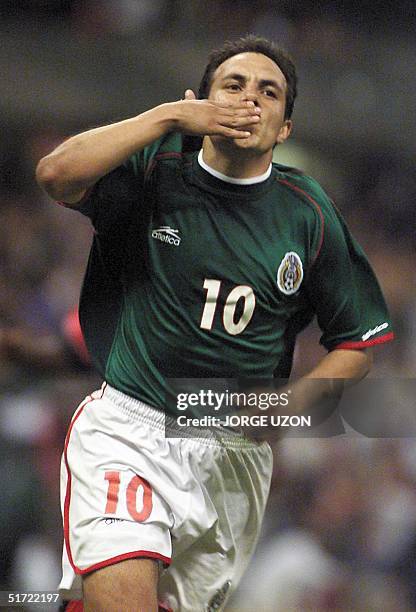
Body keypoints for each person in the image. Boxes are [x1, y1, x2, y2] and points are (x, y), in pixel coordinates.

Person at [36, 35, 393, 612]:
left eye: (268, 92)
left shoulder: (307, 214)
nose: (249, 99)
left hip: (232, 453)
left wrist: (295, 403)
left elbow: (359, 341)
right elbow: (55, 175)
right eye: (233, 85)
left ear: (283, 129)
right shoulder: (158, 163)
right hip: (132, 426)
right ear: (200, 104)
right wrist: (172, 117)